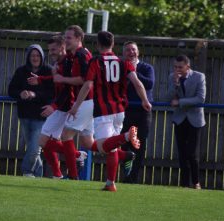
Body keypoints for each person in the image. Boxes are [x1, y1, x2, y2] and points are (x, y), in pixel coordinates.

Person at [68, 31, 152, 191]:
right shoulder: (124, 63)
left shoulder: (96, 61)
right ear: (113, 44)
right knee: (113, 148)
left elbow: (87, 85)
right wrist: (145, 100)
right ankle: (110, 183)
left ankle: (127, 136)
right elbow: (137, 82)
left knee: (102, 147)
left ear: (98, 45)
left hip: (104, 110)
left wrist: (76, 106)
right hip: (120, 111)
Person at [28, 26, 91, 180]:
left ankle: (74, 164)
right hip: (65, 105)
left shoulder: (73, 59)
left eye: (54, 49)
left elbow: (69, 86)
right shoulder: (65, 61)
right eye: (50, 50)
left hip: (68, 106)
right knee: (46, 141)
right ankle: (61, 172)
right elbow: (60, 81)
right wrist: (41, 79)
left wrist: (54, 106)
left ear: (63, 47)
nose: (51, 53)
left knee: (52, 139)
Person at [8, 44, 54, 177]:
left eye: (38, 55)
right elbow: (11, 90)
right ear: (28, 57)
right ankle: (37, 176)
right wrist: (21, 93)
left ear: (42, 56)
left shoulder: (48, 71)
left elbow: (52, 93)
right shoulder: (21, 71)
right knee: (33, 150)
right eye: (32, 55)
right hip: (24, 115)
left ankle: (26, 172)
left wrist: (34, 95)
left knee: (34, 149)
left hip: (42, 116)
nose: (35, 58)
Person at [167, 55, 205, 189]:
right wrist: (176, 84)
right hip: (179, 119)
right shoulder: (172, 77)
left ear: (187, 67)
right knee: (182, 153)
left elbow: (200, 99)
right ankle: (184, 184)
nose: (177, 69)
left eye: (180, 67)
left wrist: (180, 102)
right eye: (175, 67)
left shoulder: (199, 77)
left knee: (192, 153)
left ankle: (196, 182)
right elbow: (169, 97)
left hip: (195, 120)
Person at [121, 41, 155, 183]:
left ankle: (134, 178)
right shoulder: (121, 68)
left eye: (133, 49)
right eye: (128, 50)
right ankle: (126, 175)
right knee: (124, 143)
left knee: (140, 145)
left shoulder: (147, 67)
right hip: (125, 111)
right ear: (124, 53)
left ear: (138, 52)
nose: (131, 52)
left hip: (143, 111)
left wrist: (135, 72)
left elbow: (149, 83)